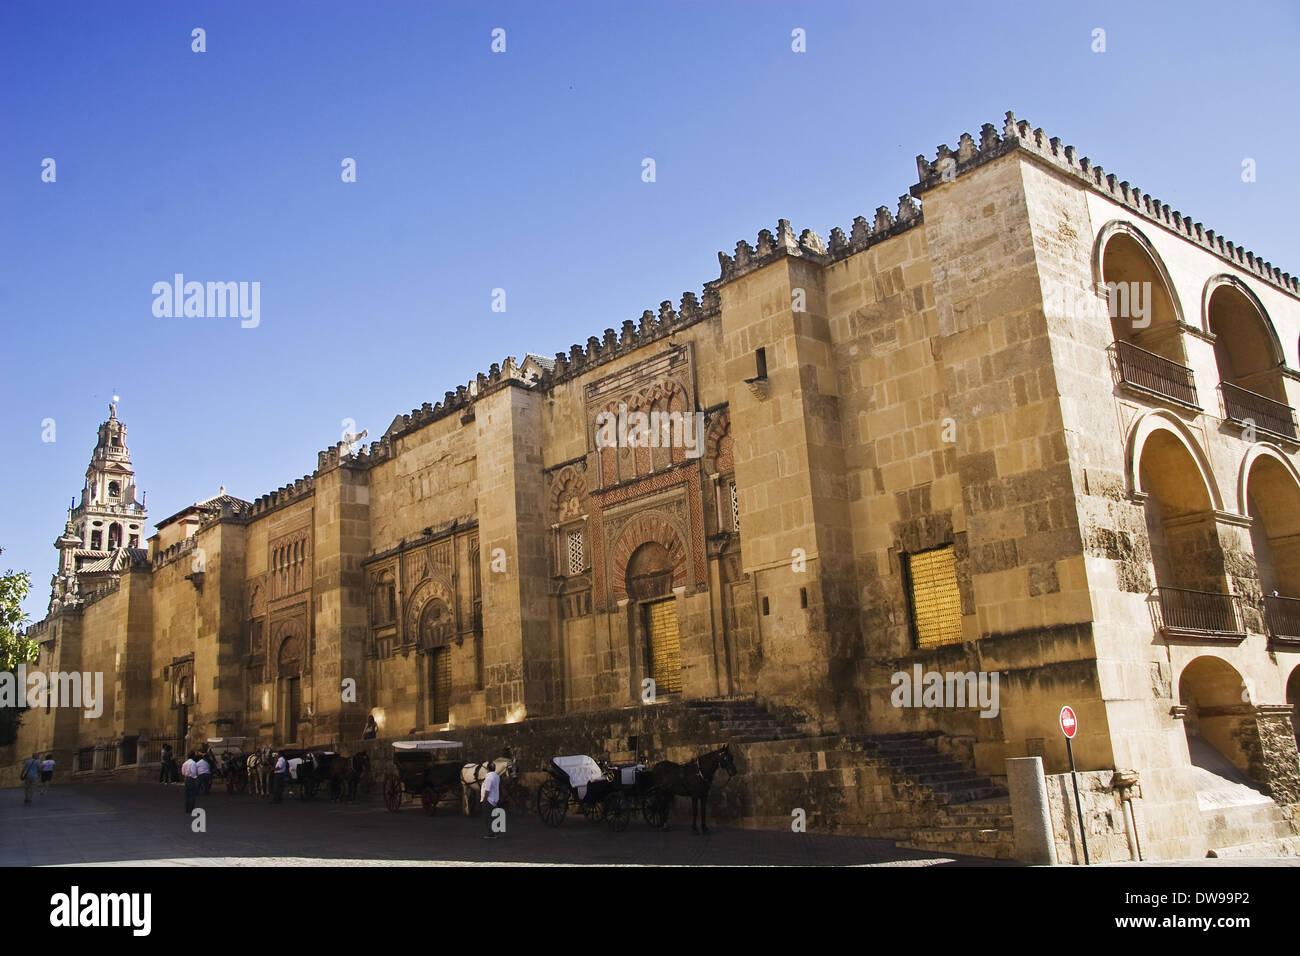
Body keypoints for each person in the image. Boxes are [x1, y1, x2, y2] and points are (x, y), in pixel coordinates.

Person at [480, 763, 501, 839]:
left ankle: (490, 834)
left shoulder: (489, 778)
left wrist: (484, 800)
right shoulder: (497, 776)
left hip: (488, 800)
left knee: (487, 817)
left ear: (487, 769)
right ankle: (497, 832)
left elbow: (487, 790)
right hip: (495, 799)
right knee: (494, 816)